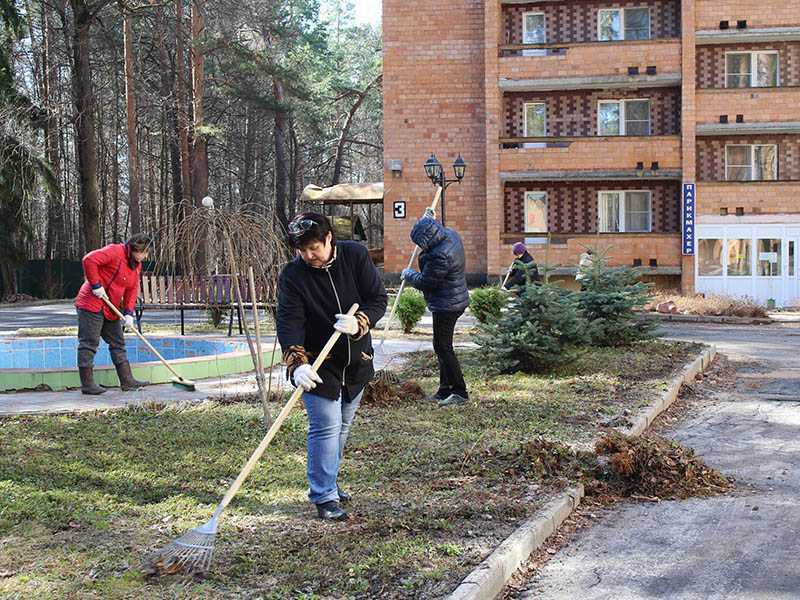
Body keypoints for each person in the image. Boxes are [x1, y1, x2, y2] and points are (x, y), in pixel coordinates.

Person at [277, 212, 387, 521]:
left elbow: (377, 298)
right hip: (317, 362)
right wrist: (297, 363)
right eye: (301, 250)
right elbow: (289, 321)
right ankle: (324, 495)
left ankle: (331, 481)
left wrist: (359, 322)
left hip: (355, 360)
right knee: (325, 425)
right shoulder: (293, 275)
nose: (308, 255)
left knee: (342, 425)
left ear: (329, 239)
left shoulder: (355, 256)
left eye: (314, 247)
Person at [402, 214, 470, 407]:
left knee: (443, 347)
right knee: (441, 345)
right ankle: (444, 389)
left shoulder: (440, 255)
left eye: (421, 244)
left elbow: (427, 283)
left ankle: (459, 391)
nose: (420, 247)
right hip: (454, 298)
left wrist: (409, 275)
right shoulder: (450, 235)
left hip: (447, 304)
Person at [74, 233, 152, 395]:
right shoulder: (115, 251)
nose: (146, 256)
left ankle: (127, 381)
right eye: (145, 252)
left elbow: (131, 290)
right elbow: (89, 260)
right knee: (89, 343)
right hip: (91, 303)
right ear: (136, 249)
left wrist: (129, 314)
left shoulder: (135, 265)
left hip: (111, 308)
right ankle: (87, 385)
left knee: (118, 342)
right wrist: (95, 285)